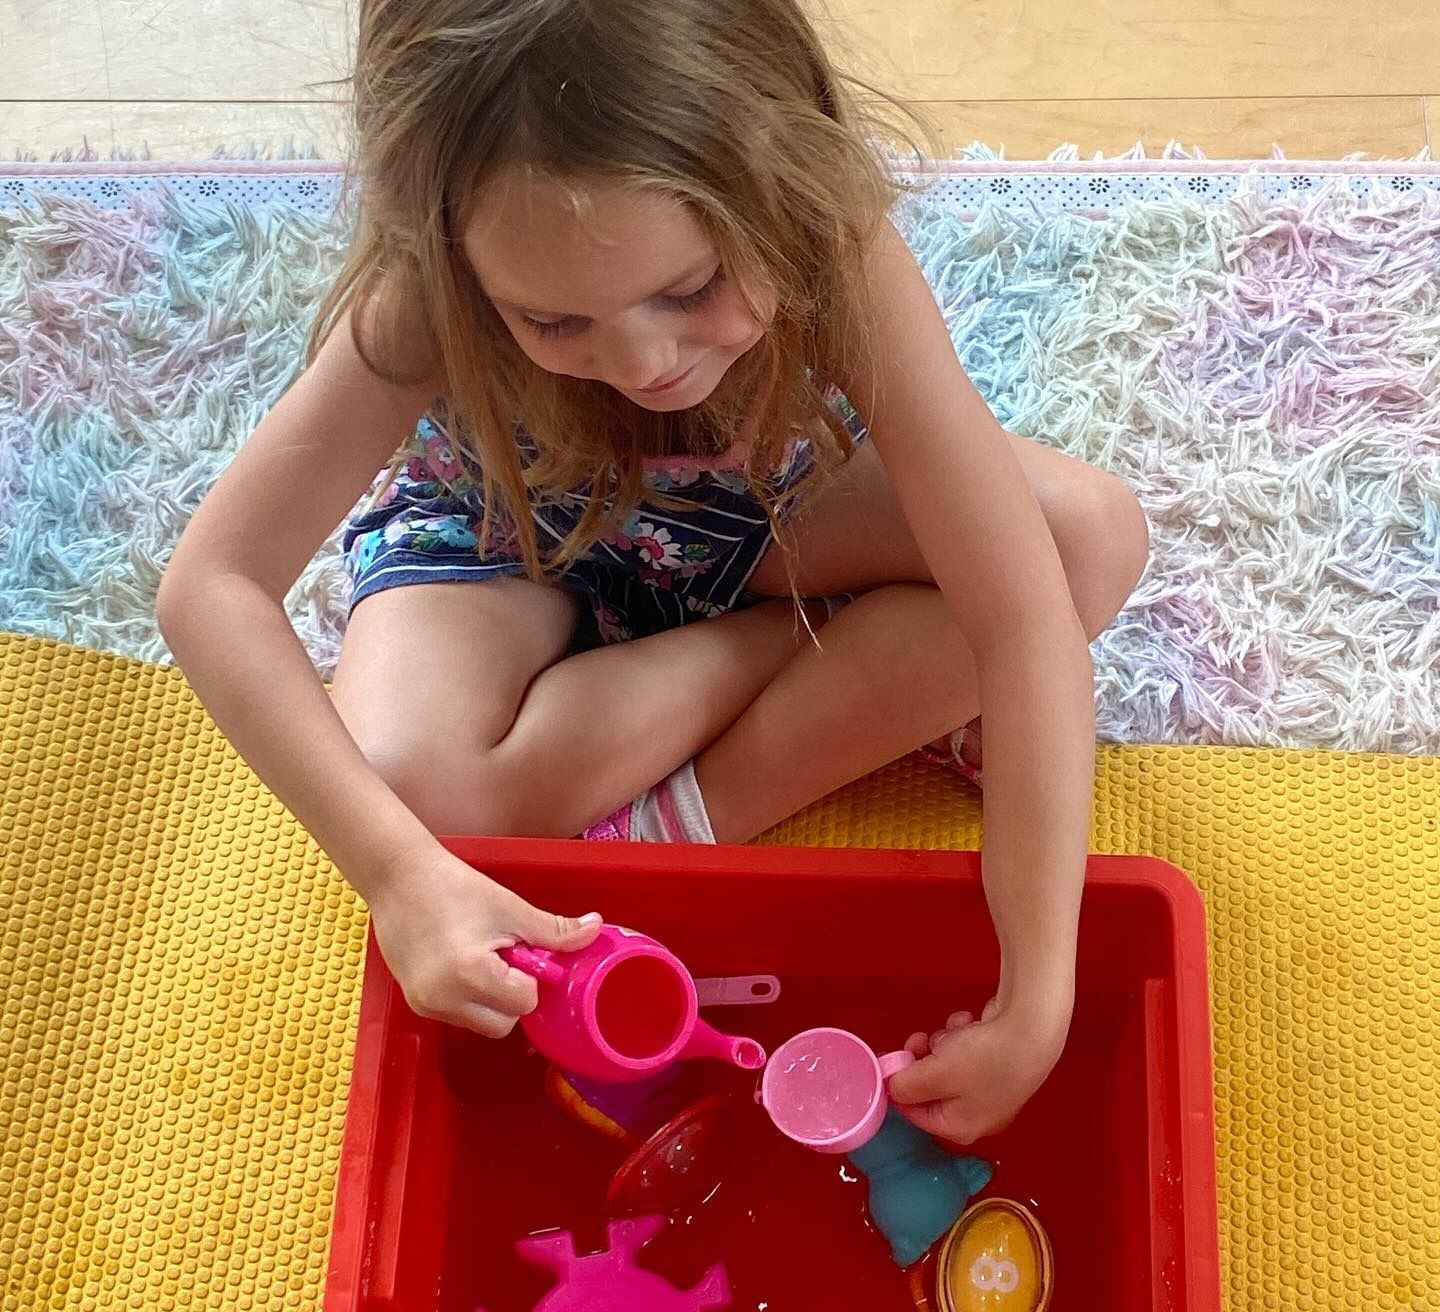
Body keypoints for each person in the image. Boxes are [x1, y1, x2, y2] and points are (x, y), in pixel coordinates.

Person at [157, 0, 1148, 1146]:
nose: (645, 362)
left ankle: (699, 793)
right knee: (414, 790)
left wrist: (1038, 989)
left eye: (689, 290)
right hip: (513, 533)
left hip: (755, 516)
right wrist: (397, 877)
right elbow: (213, 584)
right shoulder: (430, 286)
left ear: (782, 176)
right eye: (552, 319)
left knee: (1086, 545)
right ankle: (807, 651)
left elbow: (1024, 615)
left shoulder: (832, 239)